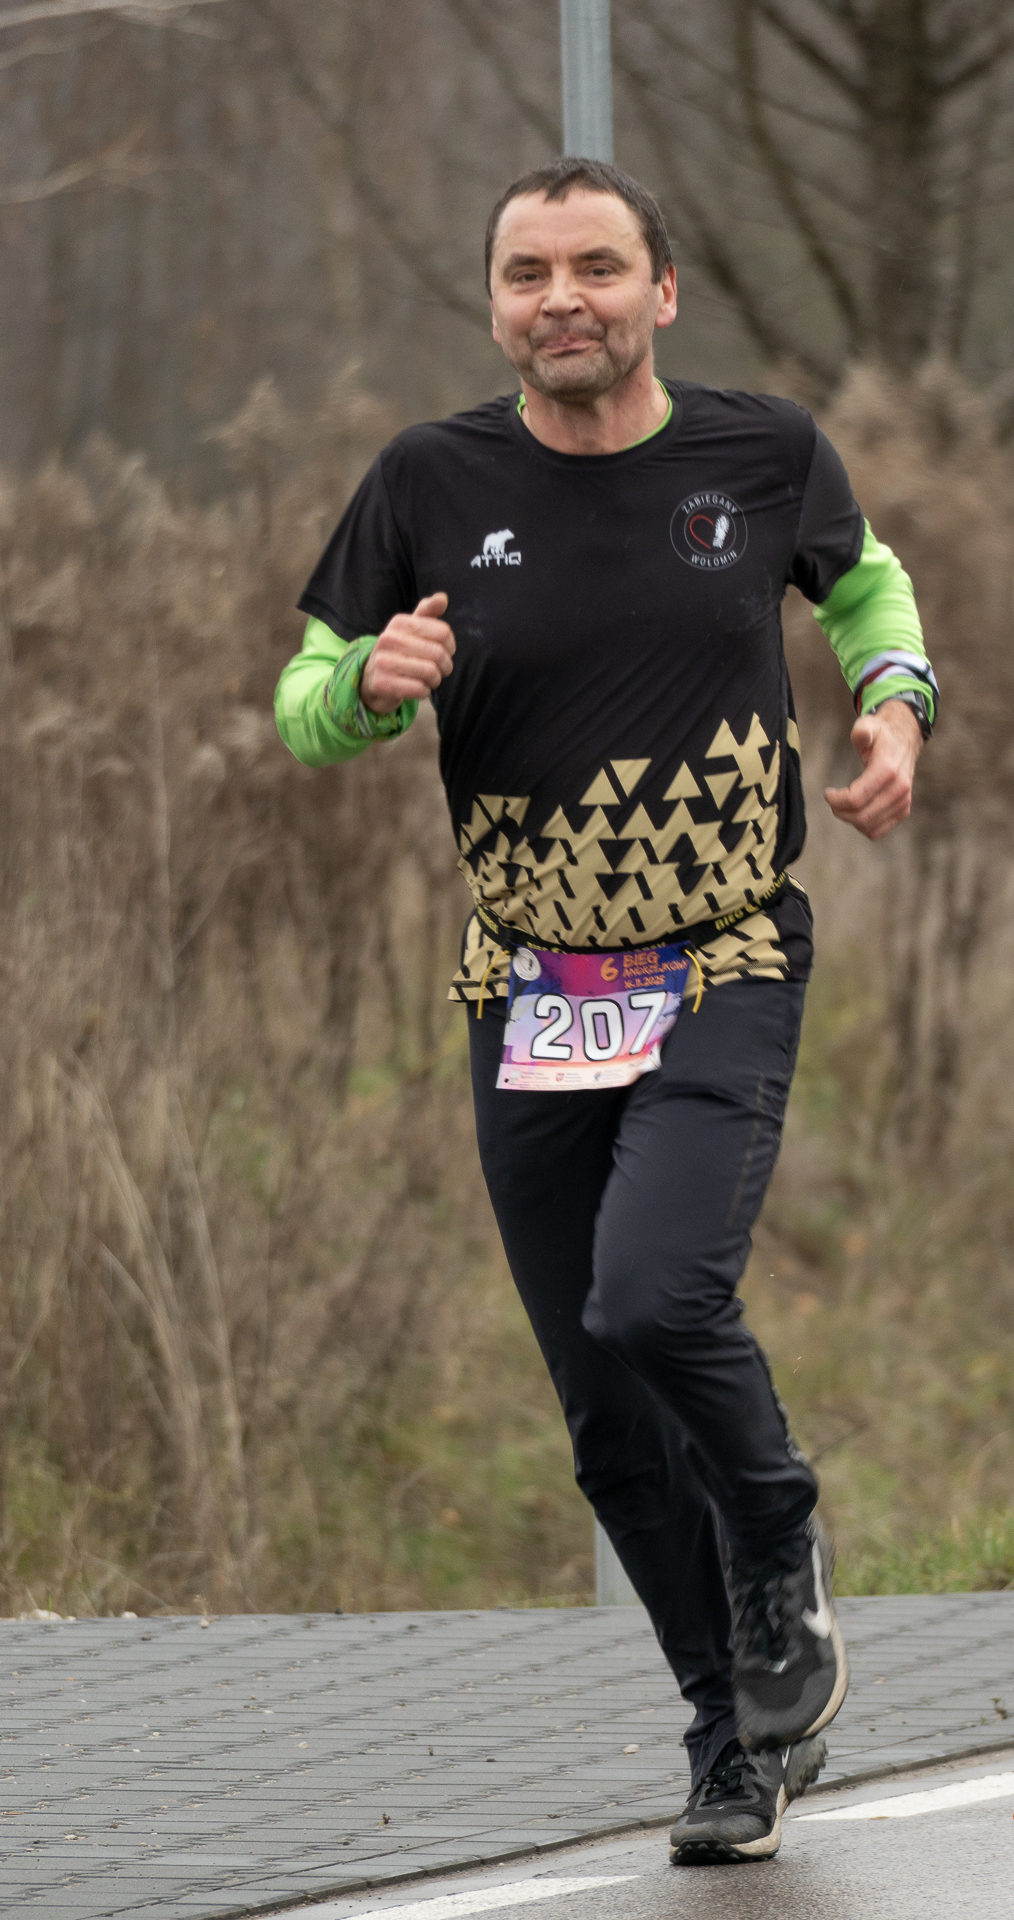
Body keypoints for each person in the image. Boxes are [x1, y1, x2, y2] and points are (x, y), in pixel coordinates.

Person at [275, 158, 937, 1867]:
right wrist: (364, 687)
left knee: (654, 1293)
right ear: (496, 304)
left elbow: (865, 585)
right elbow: (301, 696)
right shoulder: (427, 480)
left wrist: (895, 704)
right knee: (599, 1410)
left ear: (662, 291)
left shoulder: (761, 451)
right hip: (528, 987)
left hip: (721, 956)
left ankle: (777, 1532)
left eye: (595, 267)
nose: (560, 299)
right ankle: (732, 1732)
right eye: (527, 274)